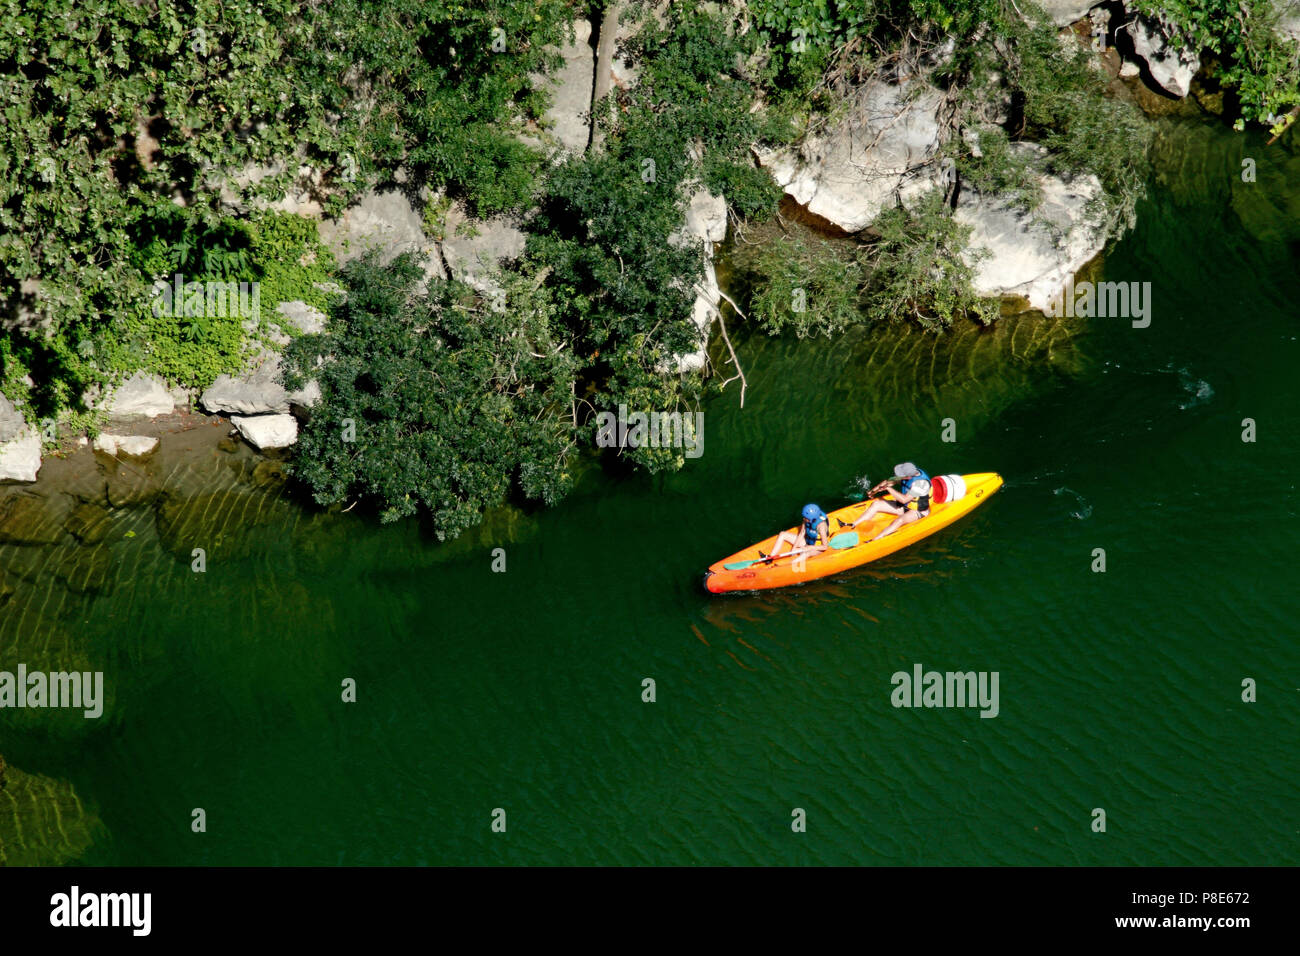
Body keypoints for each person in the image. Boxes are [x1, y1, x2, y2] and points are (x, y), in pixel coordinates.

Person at [847, 463, 932, 541]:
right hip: (905, 506)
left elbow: (904, 499)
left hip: (917, 511)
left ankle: (876, 540)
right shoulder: (909, 472)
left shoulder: (921, 484)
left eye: (900, 475)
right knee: (876, 504)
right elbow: (888, 482)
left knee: (899, 520)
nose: (897, 476)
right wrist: (872, 492)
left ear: (908, 477)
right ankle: (853, 525)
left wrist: (888, 488)